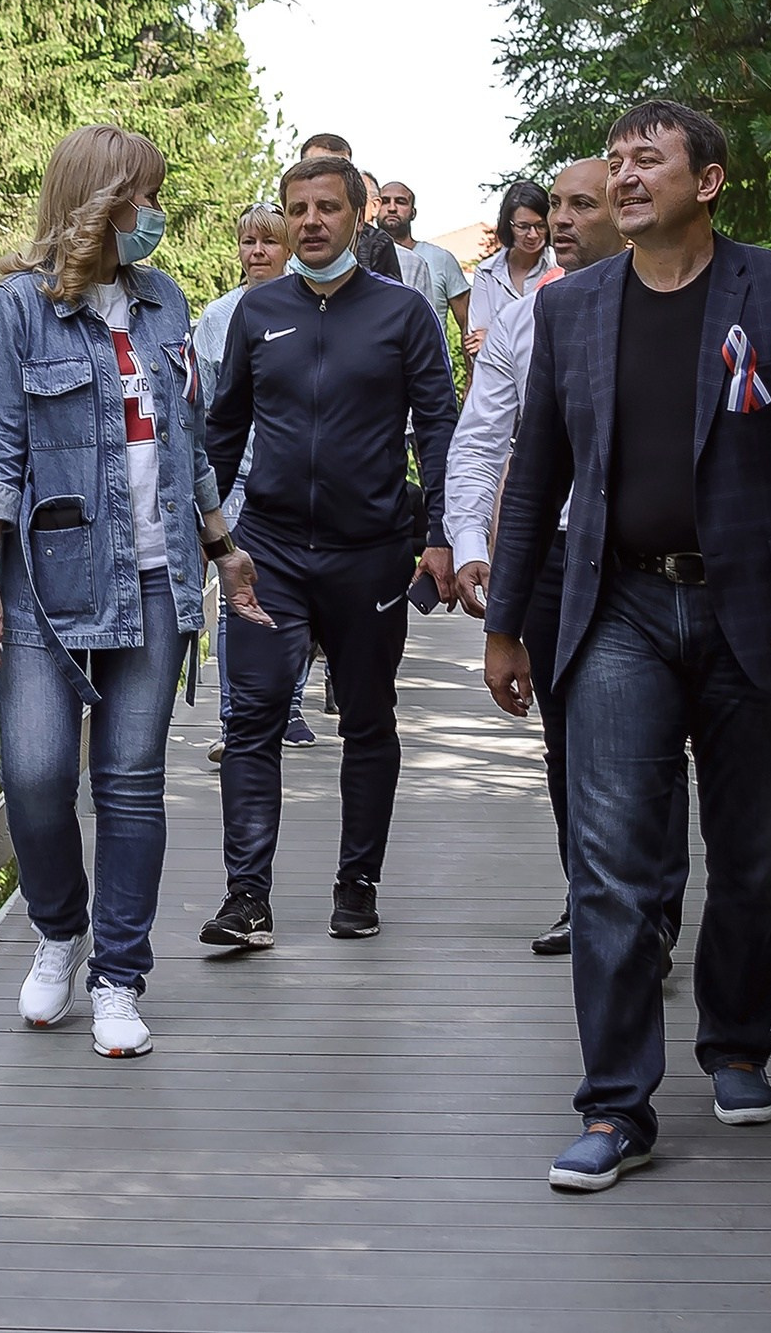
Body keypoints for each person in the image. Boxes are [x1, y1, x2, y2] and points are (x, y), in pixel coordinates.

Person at [481, 100, 771, 1193]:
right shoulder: (572, 309)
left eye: (645, 159)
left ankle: (737, 1044)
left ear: (705, 182)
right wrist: (506, 624)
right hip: (619, 607)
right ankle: (615, 1105)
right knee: (610, 862)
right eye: (613, 160)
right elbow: (536, 479)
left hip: (758, 612)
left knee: (749, 855)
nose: (621, 176)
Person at [0, 124, 267, 1059]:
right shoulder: (18, 308)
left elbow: (190, 442)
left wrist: (223, 548)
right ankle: (60, 929)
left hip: (157, 576)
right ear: (100, 200)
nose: (156, 213)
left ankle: (119, 977)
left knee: (130, 782)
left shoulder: (165, 301)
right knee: (37, 777)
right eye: (145, 196)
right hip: (46, 586)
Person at [201, 154, 459, 948]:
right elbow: (223, 429)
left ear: (358, 215)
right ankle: (247, 897)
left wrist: (441, 535)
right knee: (251, 719)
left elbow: (438, 427)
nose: (311, 221)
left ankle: (358, 883)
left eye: (327, 207)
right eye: (297, 209)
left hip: (371, 553)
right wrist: (204, 535)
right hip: (269, 552)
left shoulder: (403, 313)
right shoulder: (257, 311)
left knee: (369, 719)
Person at [445, 159, 683, 959]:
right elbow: (482, 440)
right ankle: (591, 900)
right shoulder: (527, 320)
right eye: (555, 205)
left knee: (650, 744)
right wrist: (470, 542)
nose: (561, 220)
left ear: (625, 211)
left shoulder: (683, 307)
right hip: (553, 552)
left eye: (583, 204)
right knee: (568, 740)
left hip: (642, 556)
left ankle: (651, 914)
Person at [193, 204, 314, 759]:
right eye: (248, 242)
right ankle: (234, 719)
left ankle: (291, 705)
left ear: (287, 248)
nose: (258, 252)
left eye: (269, 241)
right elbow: (202, 408)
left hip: (296, 476)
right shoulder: (217, 318)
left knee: (299, 590)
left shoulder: (311, 305)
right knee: (235, 596)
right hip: (236, 479)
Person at [298, 132, 433, 308]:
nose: (325, 180)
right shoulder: (278, 234)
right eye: (316, 170)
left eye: (338, 171)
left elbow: (391, 311)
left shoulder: (376, 244)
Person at [464, 178, 558, 358]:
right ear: (508, 225)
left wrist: (494, 339)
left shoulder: (560, 266)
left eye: (540, 226)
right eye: (523, 227)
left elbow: (561, 338)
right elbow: (477, 344)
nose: (533, 235)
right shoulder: (487, 272)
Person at [375, 180, 473, 348]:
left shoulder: (441, 259)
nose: (392, 208)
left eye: (400, 202)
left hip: (430, 359)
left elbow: (467, 324)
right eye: (385, 201)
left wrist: (471, 364)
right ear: (375, 208)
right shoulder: (358, 259)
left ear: (413, 213)